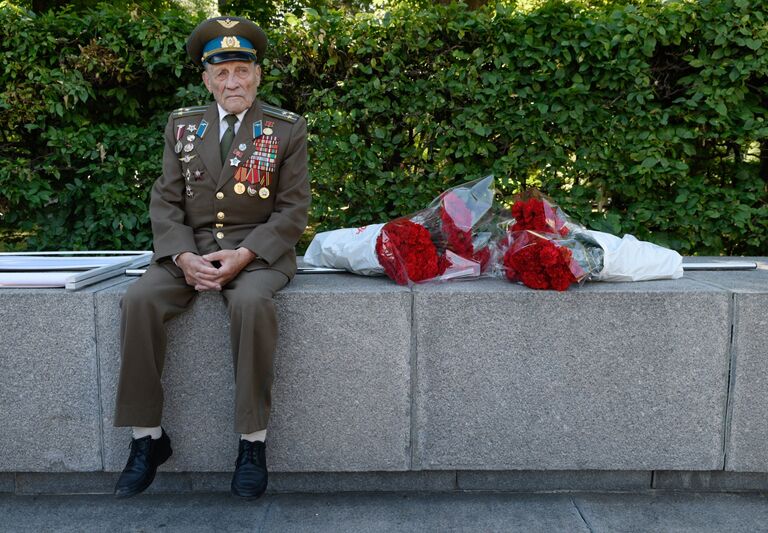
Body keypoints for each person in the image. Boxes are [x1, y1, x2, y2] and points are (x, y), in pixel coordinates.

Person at [112, 15, 311, 499]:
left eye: (241, 70)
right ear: (206, 79)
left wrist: (245, 255)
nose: (232, 82)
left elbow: (293, 209)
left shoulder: (285, 129)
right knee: (138, 302)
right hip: (190, 250)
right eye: (220, 73)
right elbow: (165, 201)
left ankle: (252, 444)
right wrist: (181, 256)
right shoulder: (182, 127)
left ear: (257, 74)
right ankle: (147, 439)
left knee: (251, 306)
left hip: (259, 253)